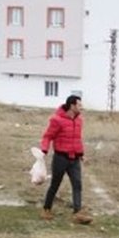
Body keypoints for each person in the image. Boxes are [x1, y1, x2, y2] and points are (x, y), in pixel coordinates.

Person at [40, 95, 92, 224]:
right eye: (79, 105)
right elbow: (47, 136)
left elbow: (77, 140)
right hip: (60, 158)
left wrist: (81, 155)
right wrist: (44, 150)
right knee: (55, 185)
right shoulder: (57, 120)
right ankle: (46, 209)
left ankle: (77, 213)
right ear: (72, 106)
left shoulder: (79, 121)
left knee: (77, 184)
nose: (81, 107)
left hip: (74, 159)